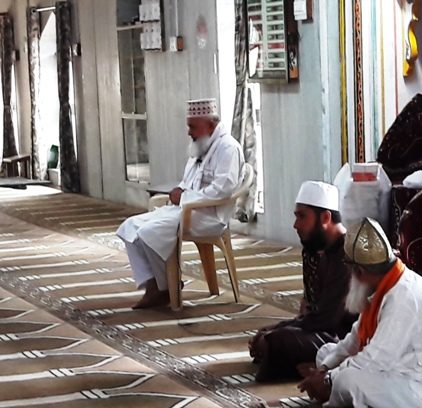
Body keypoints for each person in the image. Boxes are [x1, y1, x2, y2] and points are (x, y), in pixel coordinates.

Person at [299, 217, 422, 408]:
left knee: (348, 380)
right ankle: (345, 397)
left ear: (360, 271)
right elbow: (354, 341)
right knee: (326, 353)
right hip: (396, 367)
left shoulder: (404, 298)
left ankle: (343, 397)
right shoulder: (383, 287)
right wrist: (325, 369)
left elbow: (375, 359)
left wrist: (328, 379)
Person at [116, 98, 244, 309]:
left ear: (210, 125)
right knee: (129, 227)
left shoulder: (227, 148)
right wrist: (178, 195)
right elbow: (187, 183)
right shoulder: (201, 145)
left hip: (209, 216)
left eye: (192, 126)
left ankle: (166, 287)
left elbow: (223, 190)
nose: (189, 132)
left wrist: (183, 198)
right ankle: (156, 285)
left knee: (148, 232)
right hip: (185, 210)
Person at [249, 181, 356, 382]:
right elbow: (309, 309)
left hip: (348, 338)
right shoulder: (313, 248)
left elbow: (326, 319)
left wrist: (278, 331)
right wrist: (276, 328)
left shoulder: (347, 254)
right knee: (273, 337)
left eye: (301, 216)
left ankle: (325, 366)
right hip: (324, 331)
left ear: (325, 218)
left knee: (278, 341)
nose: (295, 224)